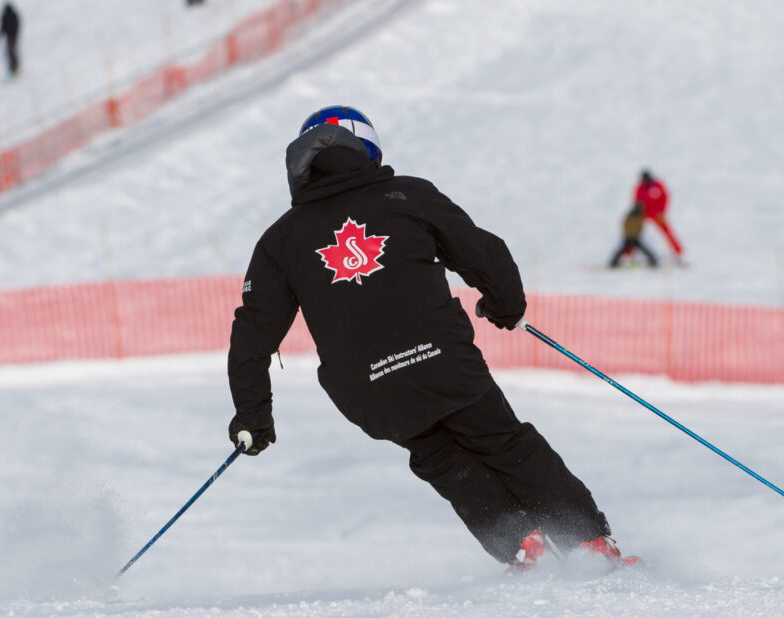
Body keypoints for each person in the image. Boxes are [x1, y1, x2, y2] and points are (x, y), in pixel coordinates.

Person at [226, 105, 636, 572]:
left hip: (368, 388)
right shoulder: (406, 196)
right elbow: (485, 252)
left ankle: (526, 549)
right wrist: (505, 306)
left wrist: (253, 416)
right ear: (368, 148)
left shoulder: (281, 240)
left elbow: (251, 337)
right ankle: (587, 544)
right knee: (504, 443)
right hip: (441, 361)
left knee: (440, 457)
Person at [633, 170, 683, 262]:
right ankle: (630, 254)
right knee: (634, 231)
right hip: (644, 215)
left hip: (657, 214)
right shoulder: (639, 188)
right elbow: (636, 201)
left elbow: (665, 197)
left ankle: (678, 253)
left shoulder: (657, 185)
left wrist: (662, 211)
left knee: (667, 232)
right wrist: (639, 213)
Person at [608, 201, 658, 268]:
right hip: (631, 237)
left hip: (630, 236)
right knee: (641, 249)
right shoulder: (637, 217)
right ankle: (653, 260)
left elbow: (627, 225)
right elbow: (637, 227)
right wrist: (633, 234)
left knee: (622, 249)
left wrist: (630, 233)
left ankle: (613, 262)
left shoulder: (633, 216)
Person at [0, 3, 20, 77]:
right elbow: (2, 27)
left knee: (11, 52)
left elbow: (16, 25)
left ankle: (15, 68)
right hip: (11, 36)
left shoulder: (9, 15)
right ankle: (14, 68)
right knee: (10, 52)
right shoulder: (8, 15)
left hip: (12, 36)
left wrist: (0, 36)